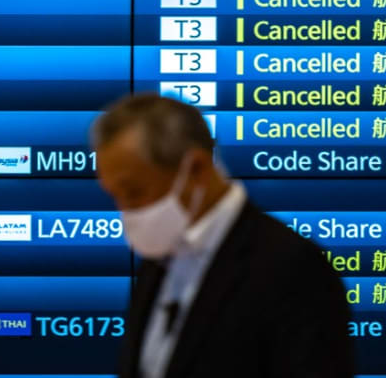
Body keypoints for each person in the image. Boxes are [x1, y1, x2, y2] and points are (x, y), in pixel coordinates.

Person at [91, 93, 354, 378]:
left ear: (197, 169)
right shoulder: (158, 260)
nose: (125, 212)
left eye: (134, 193)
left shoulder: (292, 267)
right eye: (115, 196)